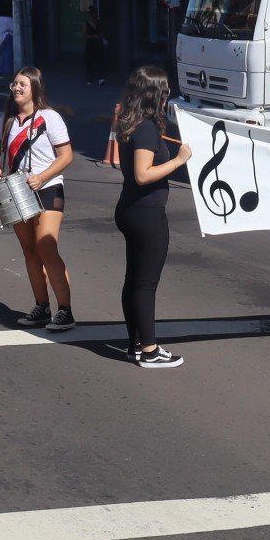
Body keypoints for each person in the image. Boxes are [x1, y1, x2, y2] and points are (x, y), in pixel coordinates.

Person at [111, 65, 192, 369]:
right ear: (155, 93)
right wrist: (179, 162)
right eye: (166, 90)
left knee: (134, 281)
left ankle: (135, 344)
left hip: (130, 209)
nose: (168, 96)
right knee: (145, 284)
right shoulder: (145, 128)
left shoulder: (129, 124)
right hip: (146, 213)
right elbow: (142, 175)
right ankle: (150, 350)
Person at [0, 67, 75, 331]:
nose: (16, 88)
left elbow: (66, 156)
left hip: (48, 188)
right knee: (29, 251)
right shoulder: (9, 120)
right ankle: (41, 306)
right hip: (18, 191)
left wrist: (42, 176)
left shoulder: (50, 117)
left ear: (35, 88)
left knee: (46, 247)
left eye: (22, 85)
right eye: (14, 84)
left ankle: (65, 311)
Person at [83, 5, 106, 86]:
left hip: (98, 44)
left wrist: (100, 36)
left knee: (100, 60)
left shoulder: (99, 22)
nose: (94, 16)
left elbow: (102, 32)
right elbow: (85, 35)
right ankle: (89, 79)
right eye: (93, 14)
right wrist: (93, 36)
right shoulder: (86, 23)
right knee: (90, 61)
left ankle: (101, 78)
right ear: (90, 15)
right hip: (90, 43)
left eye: (95, 14)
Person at [0, 10, 16, 78]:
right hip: (8, 36)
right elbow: (14, 29)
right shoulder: (11, 19)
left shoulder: (0, 18)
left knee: (3, 55)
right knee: (8, 55)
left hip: (1, 38)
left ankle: (0, 70)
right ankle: (7, 71)